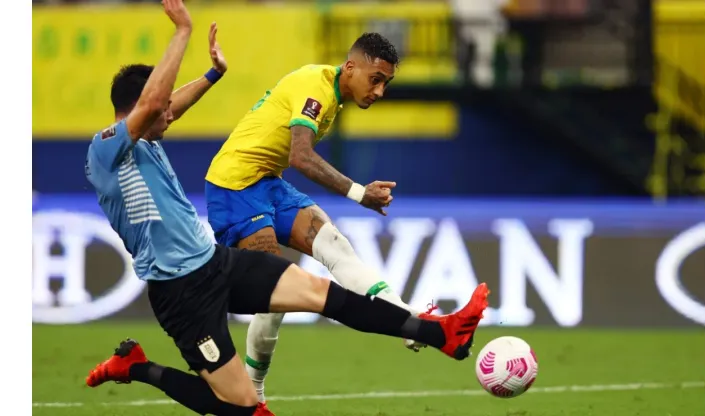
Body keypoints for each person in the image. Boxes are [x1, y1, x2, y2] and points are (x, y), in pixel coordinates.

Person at [83, 2, 490, 415]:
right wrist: (183, 31)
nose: (170, 113)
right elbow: (155, 107)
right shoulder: (106, 149)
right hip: (181, 289)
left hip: (214, 261)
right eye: (161, 106)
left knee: (321, 293)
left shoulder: (146, 141)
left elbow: (163, 108)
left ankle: (441, 333)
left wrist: (213, 74)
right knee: (240, 408)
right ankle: (140, 369)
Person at [204, 31, 440, 405]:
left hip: (267, 181)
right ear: (350, 67)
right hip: (234, 186)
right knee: (274, 291)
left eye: (386, 83)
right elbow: (300, 155)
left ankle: (407, 320)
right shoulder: (317, 88)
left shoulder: (332, 93)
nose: (379, 91)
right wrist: (359, 193)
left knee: (336, 247)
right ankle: (252, 395)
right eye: (375, 79)